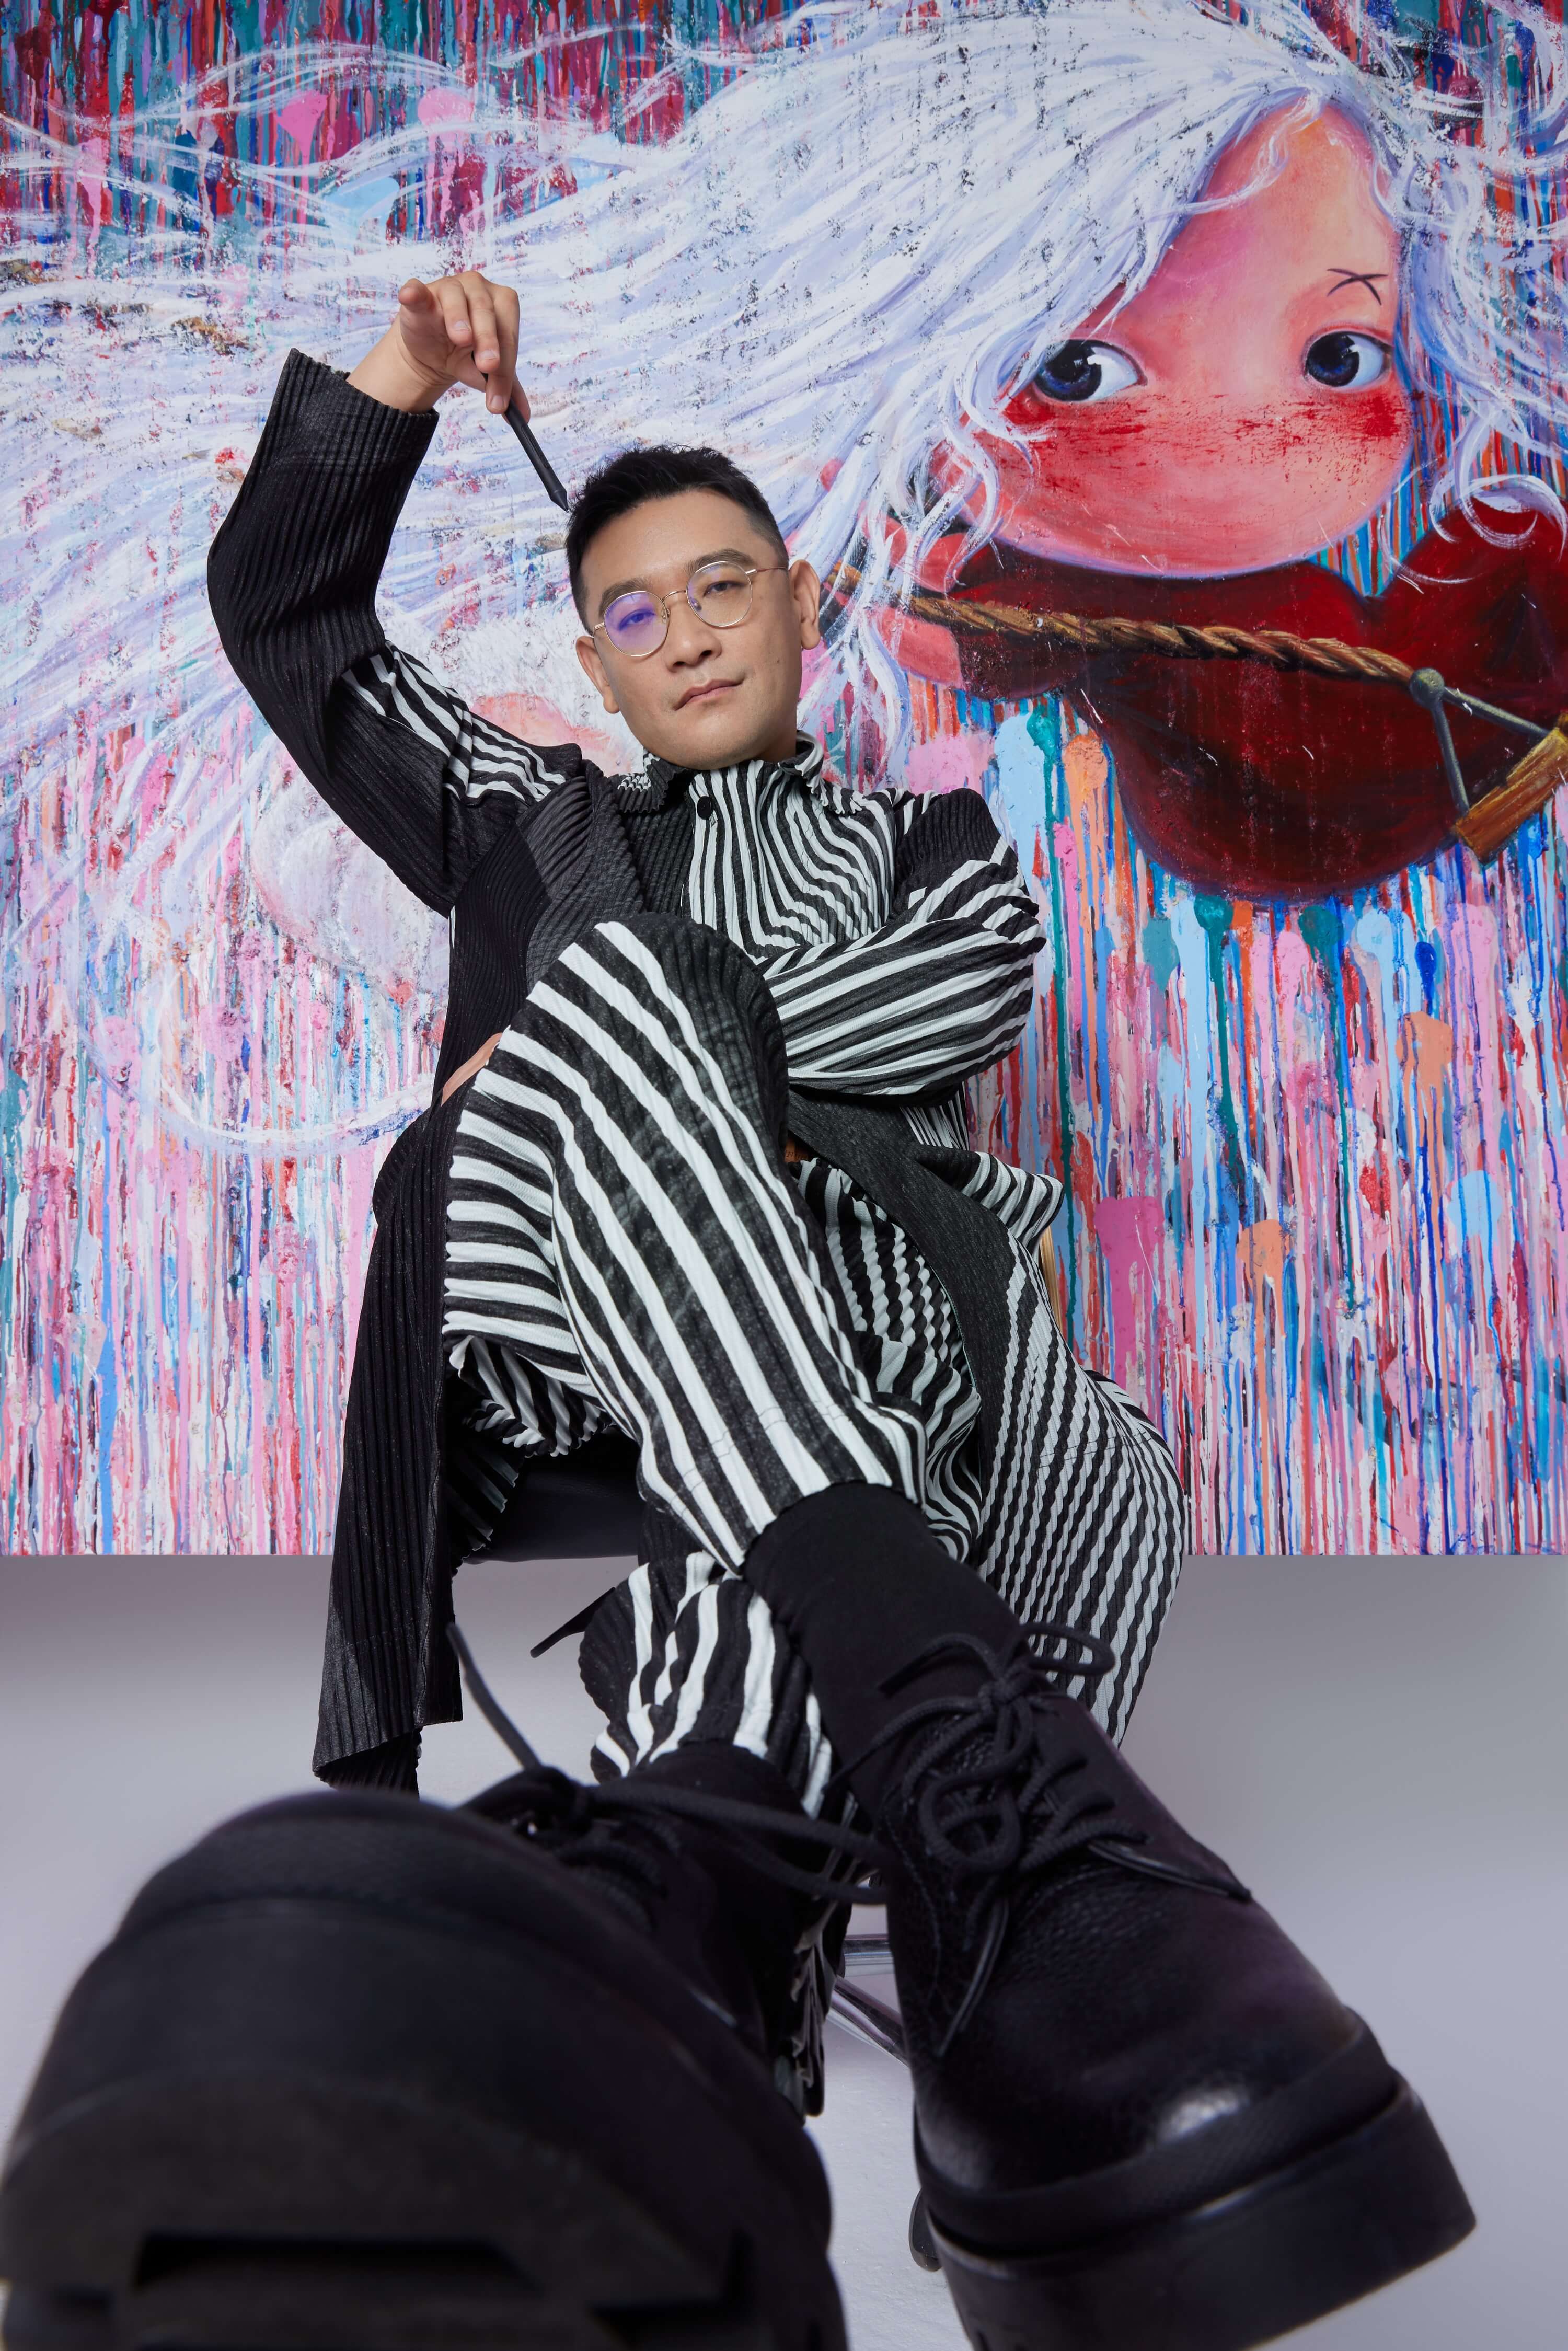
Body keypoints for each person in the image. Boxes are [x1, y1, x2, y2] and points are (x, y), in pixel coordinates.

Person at [0, 268, 1474, 2351]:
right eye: (635, 611)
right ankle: (983, 1799)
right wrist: (407, 376)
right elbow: (288, 616)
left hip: (882, 1336)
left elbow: (957, 996)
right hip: (558, 1306)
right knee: (630, 987)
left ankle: (701, 1925)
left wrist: (635, 1053)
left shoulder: (941, 853)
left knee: (1083, 1435)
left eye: (721, 588)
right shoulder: (525, 821)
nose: (685, 632)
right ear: (596, 667)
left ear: (799, 604)